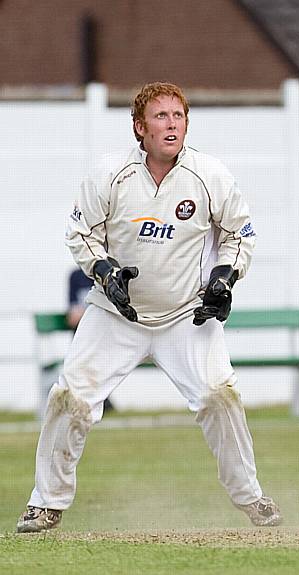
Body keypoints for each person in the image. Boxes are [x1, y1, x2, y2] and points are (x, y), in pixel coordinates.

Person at [16, 81, 282, 533]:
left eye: (178, 116)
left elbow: (241, 235)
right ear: (140, 128)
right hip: (115, 314)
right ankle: (46, 503)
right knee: (71, 398)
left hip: (186, 315)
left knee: (221, 398)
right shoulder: (110, 175)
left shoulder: (209, 175)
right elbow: (80, 235)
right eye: (160, 117)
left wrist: (224, 278)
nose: (171, 124)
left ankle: (252, 498)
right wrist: (104, 270)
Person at [67, 268, 115, 412]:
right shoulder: (76, 276)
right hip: (85, 330)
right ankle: (86, 398)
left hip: (104, 331)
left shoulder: (108, 273)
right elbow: (73, 313)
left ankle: (100, 398)